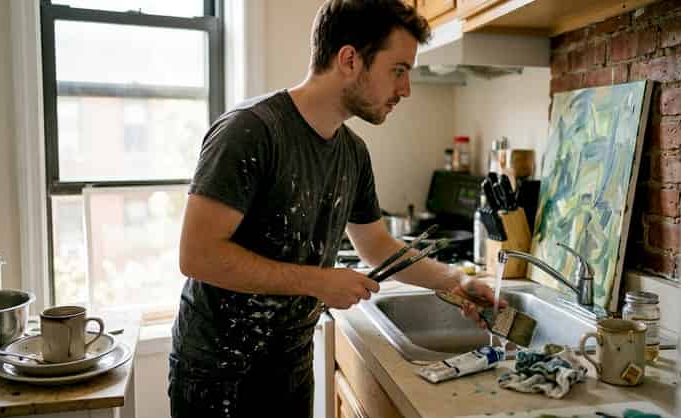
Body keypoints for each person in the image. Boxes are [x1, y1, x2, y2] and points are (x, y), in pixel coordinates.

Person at [169, 1, 505, 417]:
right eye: (398, 70)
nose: (405, 89)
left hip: (290, 367)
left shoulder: (352, 153)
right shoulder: (250, 132)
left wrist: (454, 280)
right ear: (349, 60)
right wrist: (319, 281)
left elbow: (376, 245)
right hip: (218, 376)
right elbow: (197, 255)